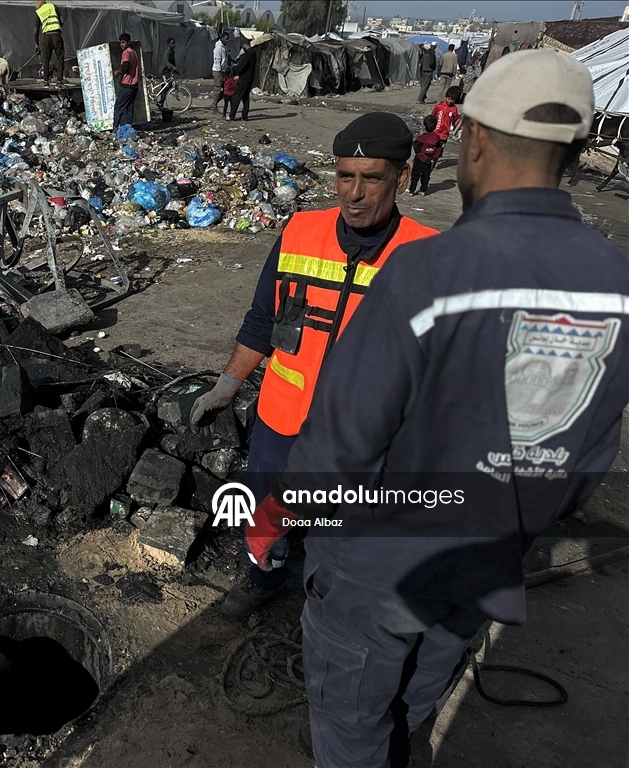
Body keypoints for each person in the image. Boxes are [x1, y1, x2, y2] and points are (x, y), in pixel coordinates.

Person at [243, 49, 628, 767]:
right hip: (487, 556)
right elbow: (584, 460)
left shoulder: (428, 269)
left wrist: (278, 514)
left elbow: (345, 440)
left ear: (472, 139)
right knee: (419, 691)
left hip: (381, 560)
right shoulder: (615, 283)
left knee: (351, 721)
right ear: (578, 151)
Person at [189, 113, 438, 619]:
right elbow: (263, 320)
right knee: (265, 511)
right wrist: (228, 383)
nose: (355, 193)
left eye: (372, 178)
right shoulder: (300, 231)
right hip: (282, 420)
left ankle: (332, 606)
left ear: (402, 178)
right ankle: (263, 577)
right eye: (345, 176)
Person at [408, 115, 443, 196]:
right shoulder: (437, 138)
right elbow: (438, 150)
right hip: (429, 160)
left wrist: (423, 157)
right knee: (426, 176)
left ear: (424, 127)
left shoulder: (421, 138)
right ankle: (423, 191)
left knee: (415, 175)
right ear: (435, 127)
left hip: (420, 159)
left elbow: (417, 149)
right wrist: (433, 159)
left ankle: (411, 191)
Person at [112, 33, 140, 130]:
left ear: (128, 42)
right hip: (134, 86)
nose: (121, 45)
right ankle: (128, 128)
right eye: (120, 43)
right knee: (129, 108)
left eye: (123, 42)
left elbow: (125, 67)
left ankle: (115, 129)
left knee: (118, 107)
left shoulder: (126, 53)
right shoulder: (134, 52)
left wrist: (118, 72)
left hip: (127, 85)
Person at [430, 86, 462, 168]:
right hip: (435, 132)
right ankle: (429, 161)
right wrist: (428, 127)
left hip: (444, 135)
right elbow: (432, 117)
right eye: (449, 99)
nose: (450, 101)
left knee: (438, 152)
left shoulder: (454, 109)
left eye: (452, 99)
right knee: (431, 148)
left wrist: (458, 130)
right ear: (445, 97)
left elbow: (456, 121)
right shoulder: (439, 106)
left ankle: (433, 165)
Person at [34, 0, 65, 84]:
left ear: (41, 3)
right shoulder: (53, 6)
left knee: (46, 59)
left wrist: (36, 44)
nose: (35, 5)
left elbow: (36, 29)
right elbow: (61, 20)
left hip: (47, 36)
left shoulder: (39, 11)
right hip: (56, 34)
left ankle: (46, 80)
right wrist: (58, 28)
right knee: (60, 58)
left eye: (36, 3)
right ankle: (59, 80)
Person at [228, 38, 258, 122]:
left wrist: (232, 69)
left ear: (245, 45)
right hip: (250, 78)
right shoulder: (253, 53)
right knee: (245, 97)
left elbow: (242, 65)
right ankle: (245, 116)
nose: (242, 48)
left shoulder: (248, 54)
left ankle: (232, 115)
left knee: (236, 96)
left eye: (242, 46)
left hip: (244, 78)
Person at [156, 37, 178, 109]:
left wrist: (175, 69)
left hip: (167, 72)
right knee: (167, 86)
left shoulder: (172, 52)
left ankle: (161, 103)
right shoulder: (167, 52)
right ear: (169, 44)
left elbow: (173, 62)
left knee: (167, 87)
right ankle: (160, 102)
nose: (174, 44)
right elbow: (166, 62)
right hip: (164, 72)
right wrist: (172, 67)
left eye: (174, 43)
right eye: (173, 43)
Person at [212, 31, 230, 113]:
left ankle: (214, 104)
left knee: (225, 89)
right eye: (226, 39)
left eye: (228, 39)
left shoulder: (223, 47)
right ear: (222, 38)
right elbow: (217, 62)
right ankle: (214, 106)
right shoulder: (218, 48)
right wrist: (220, 75)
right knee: (218, 89)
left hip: (223, 71)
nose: (227, 41)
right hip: (217, 71)